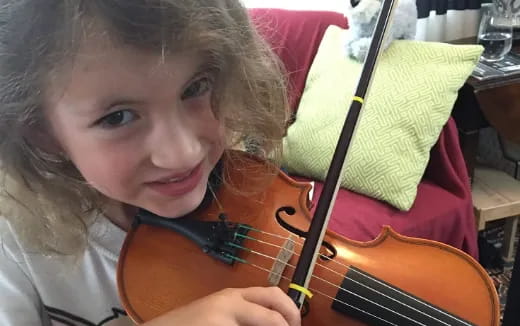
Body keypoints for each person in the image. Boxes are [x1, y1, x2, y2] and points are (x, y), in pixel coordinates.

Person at [0, 1, 301, 325]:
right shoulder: (12, 244)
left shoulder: (245, 188)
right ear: (43, 134)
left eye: (195, 87)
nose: (183, 153)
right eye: (117, 118)